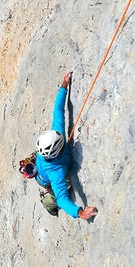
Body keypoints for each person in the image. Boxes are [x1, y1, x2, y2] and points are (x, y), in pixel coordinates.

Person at [34, 71, 97, 220]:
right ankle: (49, 204)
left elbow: (58, 112)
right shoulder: (56, 174)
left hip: (43, 170)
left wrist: (64, 86)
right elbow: (62, 199)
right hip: (45, 179)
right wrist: (80, 213)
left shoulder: (57, 135)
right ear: (58, 149)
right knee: (54, 199)